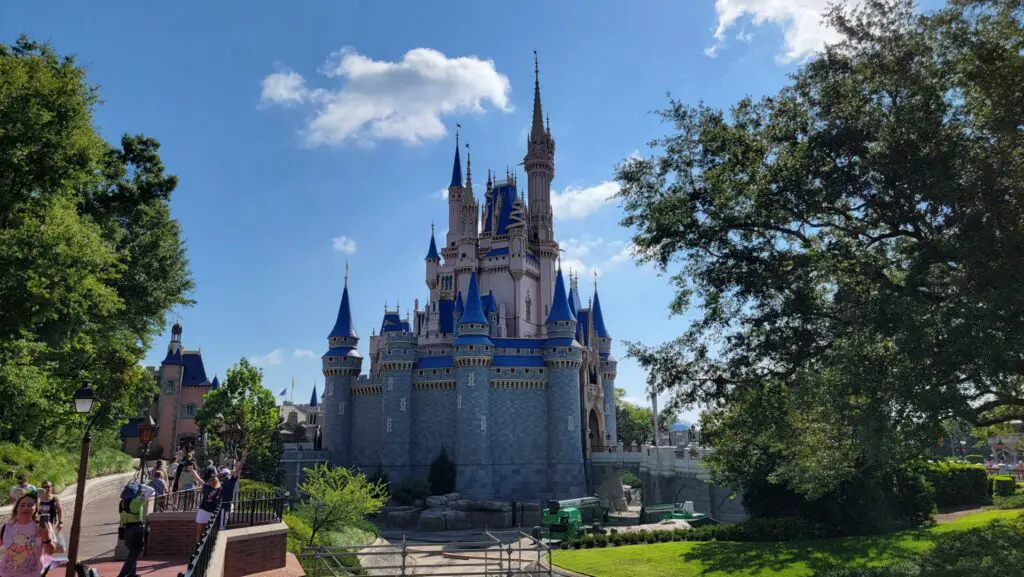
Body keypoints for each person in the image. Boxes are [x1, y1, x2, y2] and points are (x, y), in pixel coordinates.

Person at [1, 492, 56, 577]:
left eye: (30, 505)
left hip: (33, 574)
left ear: (36, 508)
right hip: (5, 574)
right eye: (22, 505)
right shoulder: (6, 527)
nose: (26, 508)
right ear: (16, 509)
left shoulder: (43, 526)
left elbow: (50, 552)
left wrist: (46, 539)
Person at [115, 482, 155, 577]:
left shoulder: (122, 503)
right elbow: (151, 491)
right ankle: (123, 574)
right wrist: (142, 485)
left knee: (132, 552)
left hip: (126, 531)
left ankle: (132, 574)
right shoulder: (136, 501)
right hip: (136, 530)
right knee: (135, 553)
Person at [181, 466, 221, 539]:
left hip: (205, 510)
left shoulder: (207, 487)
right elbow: (198, 479)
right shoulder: (218, 489)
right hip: (210, 510)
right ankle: (202, 540)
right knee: (206, 529)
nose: (209, 481)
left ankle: (199, 541)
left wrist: (193, 471)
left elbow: (198, 479)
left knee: (200, 530)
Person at [35, 482, 62, 553]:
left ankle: (47, 552)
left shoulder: (55, 498)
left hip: (50, 521)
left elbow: (59, 510)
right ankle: (42, 553)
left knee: (48, 537)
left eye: (48, 486)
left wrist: (60, 522)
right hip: (39, 521)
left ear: (51, 487)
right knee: (39, 538)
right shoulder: (38, 499)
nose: (46, 489)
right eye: (44, 487)